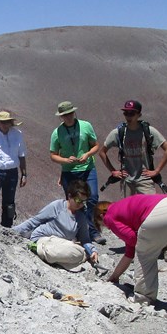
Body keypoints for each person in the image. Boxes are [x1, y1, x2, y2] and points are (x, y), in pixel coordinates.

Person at [94, 194, 167, 314]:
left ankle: (143, 298)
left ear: (101, 216)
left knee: (144, 255)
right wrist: (115, 276)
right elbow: (130, 251)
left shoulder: (109, 216)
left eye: (103, 225)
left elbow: (133, 240)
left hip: (161, 212)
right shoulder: (123, 207)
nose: (108, 228)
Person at [12, 181, 97, 269]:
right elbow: (34, 221)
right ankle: (40, 250)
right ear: (70, 196)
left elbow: (85, 239)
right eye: (78, 200)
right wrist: (11, 231)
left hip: (61, 244)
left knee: (78, 252)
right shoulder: (57, 206)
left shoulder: (81, 218)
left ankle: (49, 256)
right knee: (79, 253)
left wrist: (93, 251)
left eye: (84, 202)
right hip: (44, 239)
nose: (80, 204)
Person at [49, 102, 102, 241]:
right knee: (74, 202)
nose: (68, 117)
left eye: (70, 113)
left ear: (74, 112)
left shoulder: (86, 126)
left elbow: (96, 146)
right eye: (65, 115)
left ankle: (93, 231)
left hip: (87, 168)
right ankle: (77, 232)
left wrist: (87, 155)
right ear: (61, 117)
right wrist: (66, 160)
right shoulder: (57, 132)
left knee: (93, 197)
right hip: (69, 172)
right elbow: (53, 155)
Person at [99, 100, 167, 196]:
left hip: (145, 180)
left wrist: (156, 171)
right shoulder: (118, 132)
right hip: (127, 180)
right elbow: (102, 152)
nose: (128, 116)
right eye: (126, 113)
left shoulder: (148, 131)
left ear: (139, 114)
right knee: (128, 210)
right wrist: (113, 171)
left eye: (132, 113)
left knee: (149, 208)